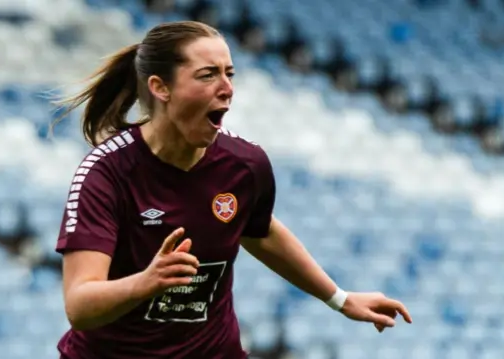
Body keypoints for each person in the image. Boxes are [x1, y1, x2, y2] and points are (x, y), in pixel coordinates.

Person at [54, 20, 412, 359]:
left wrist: (340, 299)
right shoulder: (105, 174)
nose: (227, 88)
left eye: (230, 73)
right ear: (160, 87)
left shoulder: (245, 164)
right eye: (208, 75)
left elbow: (261, 230)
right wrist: (146, 282)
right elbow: (80, 307)